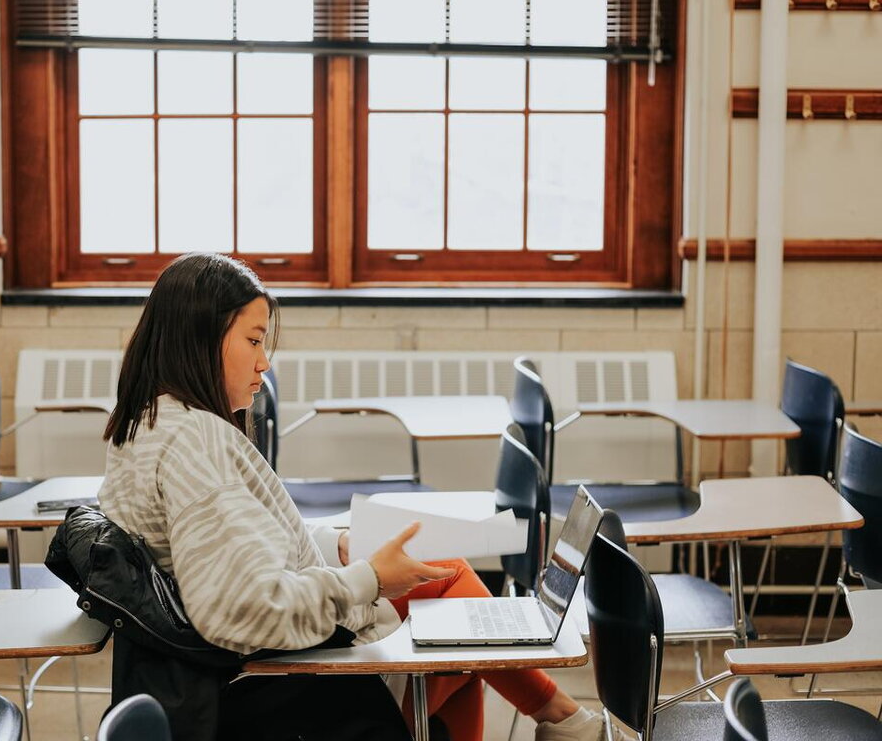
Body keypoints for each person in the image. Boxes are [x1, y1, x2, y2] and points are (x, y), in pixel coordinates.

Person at [99, 252, 610, 741]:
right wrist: (365, 579)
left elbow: (228, 549)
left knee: (455, 621)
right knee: (457, 618)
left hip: (249, 661)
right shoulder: (196, 443)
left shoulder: (148, 422)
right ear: (203, 340)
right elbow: (243, 608)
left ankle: (562, 719)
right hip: (281, 674)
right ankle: (565, 719)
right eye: (253, 341)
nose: (265, 361)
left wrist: (332, 547)